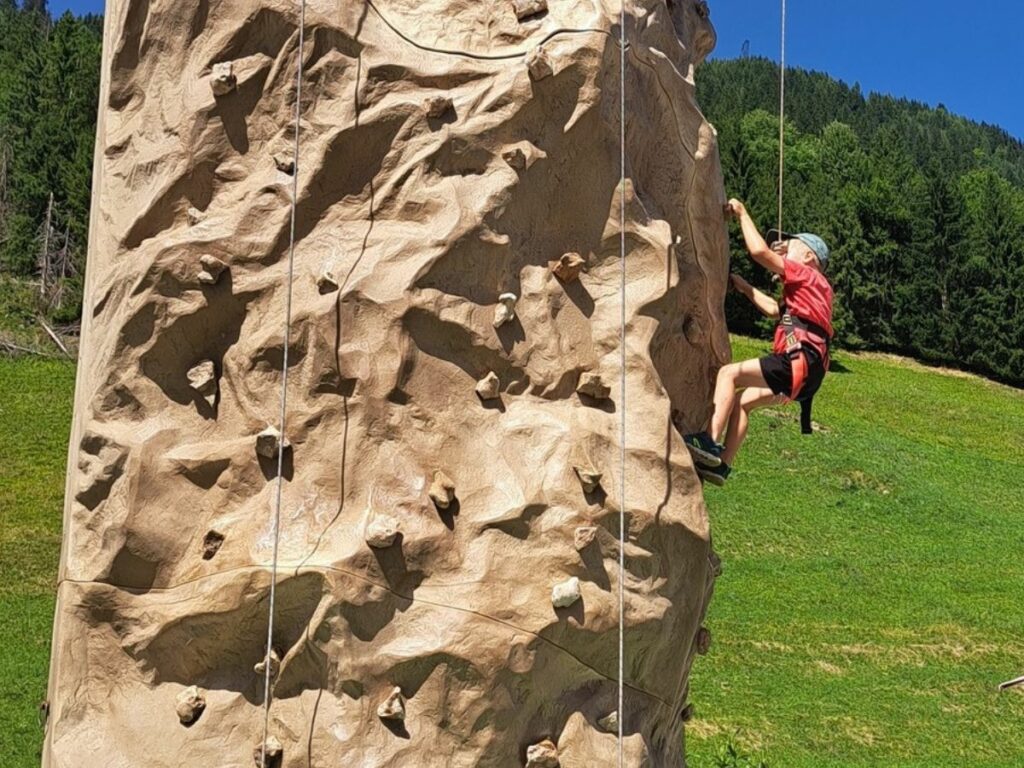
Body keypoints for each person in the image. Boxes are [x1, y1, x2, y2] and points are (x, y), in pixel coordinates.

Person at [684, 198, 834, 486]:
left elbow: (759, 252)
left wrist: (742, 213)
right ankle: (723, 465)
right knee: (742, 401)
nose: (783, 248)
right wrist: (744, 287)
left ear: (808, 257)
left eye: (790, 246)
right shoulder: (813, 294)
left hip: (798, 361)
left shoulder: (807, 275)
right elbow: (775, 310)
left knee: (728, 374)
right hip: (808, 374)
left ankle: (709, 441)